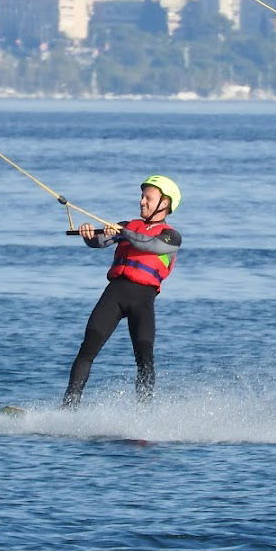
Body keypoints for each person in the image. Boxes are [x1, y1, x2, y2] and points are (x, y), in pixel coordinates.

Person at [61, 174, 183, 409]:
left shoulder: (171, 236)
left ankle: (143, 414)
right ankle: (68, 408)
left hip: (142, 299)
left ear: (164, 203)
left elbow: (150, 245)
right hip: (115, 294)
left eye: (148, 198)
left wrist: (123, 232)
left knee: (144, 359)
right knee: (87, 349)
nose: (142, 202)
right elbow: (100, 241)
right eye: (141, 197)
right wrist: (89, 235)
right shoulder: (127, 226)